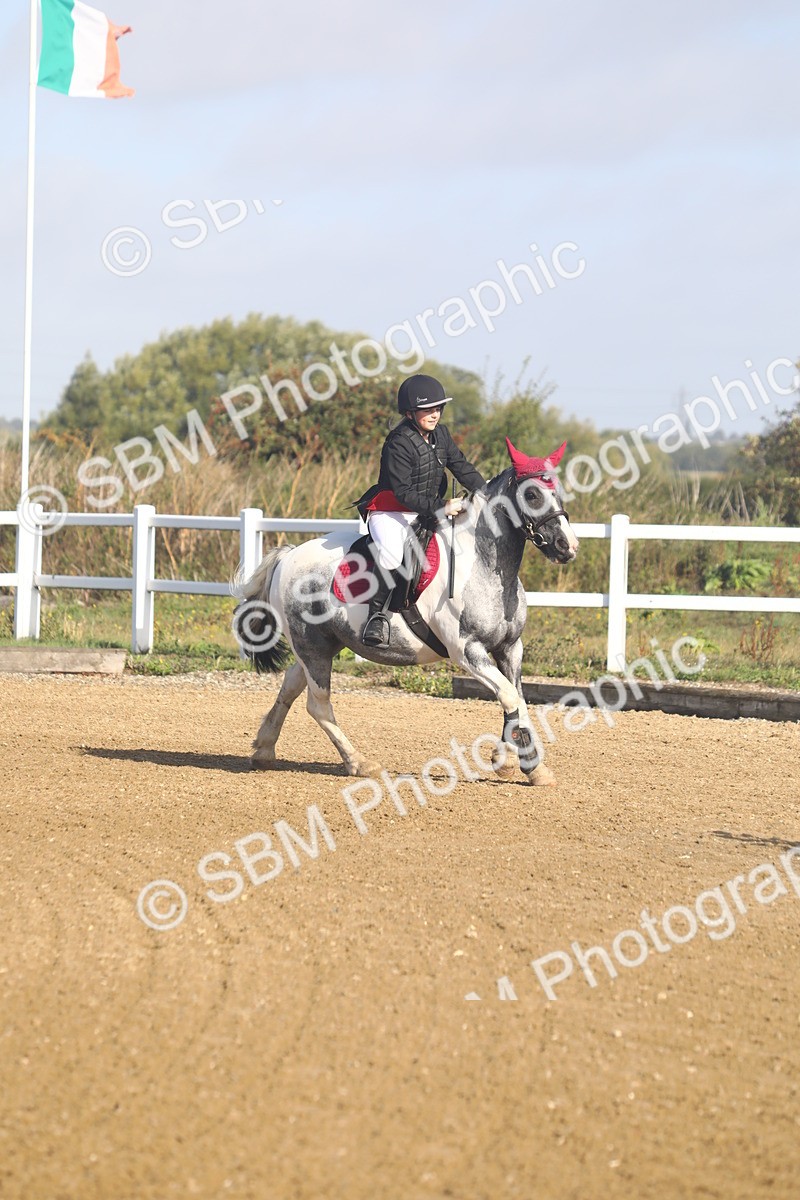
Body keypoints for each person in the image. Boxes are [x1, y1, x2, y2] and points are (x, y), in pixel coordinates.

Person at [354, 373, 486, 648]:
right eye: (428, 409)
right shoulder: (398, 442)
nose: (435, 414)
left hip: (426, 510)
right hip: (391, 510)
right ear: (411, 412)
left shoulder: (442, 435)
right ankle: (376, 617)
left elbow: (461, 467)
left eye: (438, 408)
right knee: (392, 553)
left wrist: (487, 494)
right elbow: (402, 493)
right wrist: (442, 506)